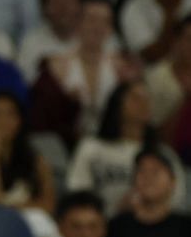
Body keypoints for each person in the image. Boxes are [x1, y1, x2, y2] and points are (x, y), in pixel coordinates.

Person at [66, 82, 175, 217]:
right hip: (98, 224)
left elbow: (175, 197)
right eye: (136, 98)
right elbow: (78, 191)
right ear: (117, 104)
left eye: (147, 99)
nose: (143, 103)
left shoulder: (162, 153)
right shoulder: (91, 147)